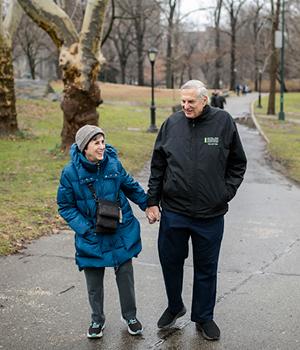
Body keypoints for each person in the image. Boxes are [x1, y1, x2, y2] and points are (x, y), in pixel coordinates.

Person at [146, 80, 247, 341]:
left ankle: (204, 317)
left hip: (209, 214)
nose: (186, 106)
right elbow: (157, 165)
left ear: (204, 100)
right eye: (183, 102)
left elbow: (238, 163)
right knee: (170, 261)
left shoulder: (223, 122)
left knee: (206, 268)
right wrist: (152, 201)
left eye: (191, 102)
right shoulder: (171, 124)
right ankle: (174, 305)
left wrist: (225, 193)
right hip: (174, 211)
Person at [57, 125, 148, 338]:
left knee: (125, 275)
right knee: (94, 282)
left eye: (103, 141)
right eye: (96, 142)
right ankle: (97, 320)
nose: (102, 146)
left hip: (119, 230)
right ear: (84, 147)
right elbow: (65, 206)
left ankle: (131, 317)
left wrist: (148, 205)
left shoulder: (113, 164)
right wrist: (85, 229)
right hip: (92, 233)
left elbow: (131, 187)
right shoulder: (70, 173)